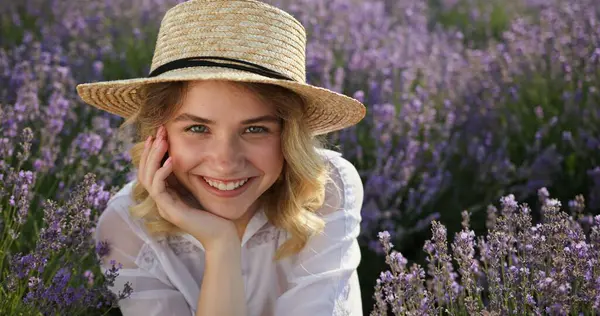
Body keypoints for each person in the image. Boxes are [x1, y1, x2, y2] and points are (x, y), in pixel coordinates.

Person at [76, 0, 366, 315]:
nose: (225, 162)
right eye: (198, 128)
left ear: (288, 136)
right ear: (159, 134)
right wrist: (221, 245)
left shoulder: (326, 188)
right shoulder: (126, 227)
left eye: (255, 129)